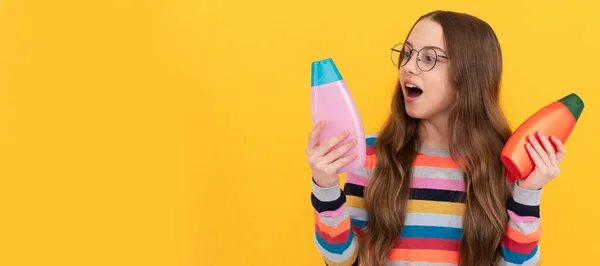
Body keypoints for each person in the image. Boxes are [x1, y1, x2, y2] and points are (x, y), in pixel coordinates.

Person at [306, 10, 565, 266]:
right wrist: (326, 187)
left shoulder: (503, 165)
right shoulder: (373, 154)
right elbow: (342, 260)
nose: (407, 67)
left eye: (428, 58)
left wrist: (529, 193)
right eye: (407, 54)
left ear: (469, 74)